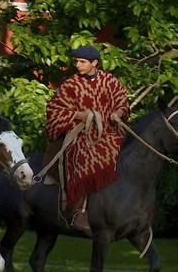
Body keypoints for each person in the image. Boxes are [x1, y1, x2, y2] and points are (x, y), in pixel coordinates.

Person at [45, 44, 131, 233]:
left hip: (110, 133)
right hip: (81, 136)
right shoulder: (71, 84)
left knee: (130, 154)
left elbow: (122, 101)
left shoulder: (110, 81)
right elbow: (54, 109)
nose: (78, 65)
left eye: (82, 62)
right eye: (77, 61)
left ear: (94, 63)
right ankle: (79, 210)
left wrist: (118, 112)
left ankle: (125, 203)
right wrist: (78, 116)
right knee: (85, 157)